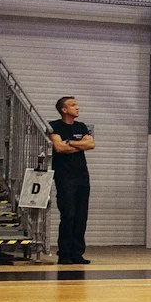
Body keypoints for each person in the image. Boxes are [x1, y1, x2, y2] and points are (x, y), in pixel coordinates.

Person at [47, 96, 94, 265]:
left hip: (82, 175)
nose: (77, 107)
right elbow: (59, 147)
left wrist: (69, 143)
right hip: (64, 176)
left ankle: (77, 253)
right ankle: (64, 253)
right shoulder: (55, 126)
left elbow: (90, 144)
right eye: (73, 105)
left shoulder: (81, 126)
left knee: (81, 215)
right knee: (68, 214)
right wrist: (78, 144)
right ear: (64, 110)